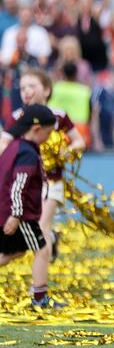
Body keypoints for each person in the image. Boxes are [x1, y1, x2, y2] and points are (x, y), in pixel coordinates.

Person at [0, 68, 86, 263]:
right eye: (22, 88)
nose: (26, 91)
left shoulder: (58, 116)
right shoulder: (17, 118)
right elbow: (4, 143)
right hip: (28, 184)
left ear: (47, 90)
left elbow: (79, 142)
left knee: (41, 226)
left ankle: (39, 287)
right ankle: (51, 242)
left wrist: (68, 151)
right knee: (32, 232)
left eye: (32, 86)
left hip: (52, 180)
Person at [0, 103, 63, 308]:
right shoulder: (27, 153)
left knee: (13, 252)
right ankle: (40, 298)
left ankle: (39, 297)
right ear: (37, 129)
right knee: (42, 250)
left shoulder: (15, 147)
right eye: (48, 133)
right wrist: (16, 214)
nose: (49, 138)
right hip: (21, 214)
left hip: (12, 211)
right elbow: (19, 185)